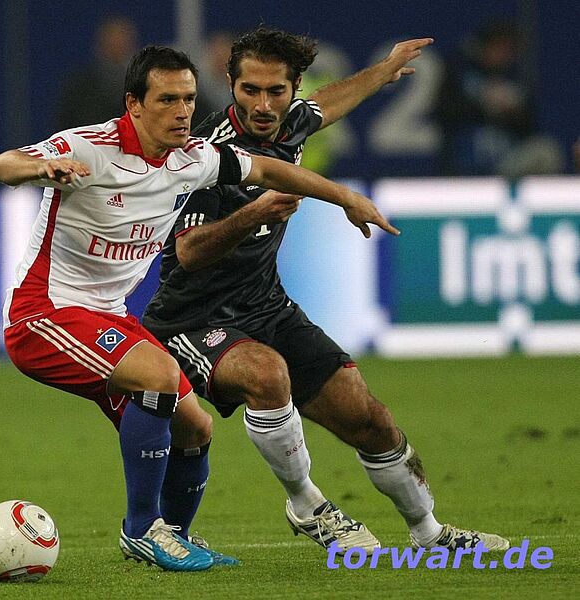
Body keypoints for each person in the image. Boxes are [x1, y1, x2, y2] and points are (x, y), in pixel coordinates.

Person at [0, 44, 399, 570]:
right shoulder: (89, 147)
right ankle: (143, 529)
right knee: (160, 376)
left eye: (187, 98)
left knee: (195, 427)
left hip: (108, 316)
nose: (182, 111)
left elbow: (271, 171)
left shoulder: (194, 160)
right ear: (134, 104)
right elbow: (2, 165)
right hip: (45, 315)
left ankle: (175, 536)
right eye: (167, 100)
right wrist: (43, 166)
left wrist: (345, 197)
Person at [143, 28, 510, 554]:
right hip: (192, 318)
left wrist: (383, 71)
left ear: (295, 86)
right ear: (230, 83)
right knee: (268, 376)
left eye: (276, 91)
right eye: (249, 90)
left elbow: (326, 105)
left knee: (369, 418)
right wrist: (252, 214)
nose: (263, 105)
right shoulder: (204, 154)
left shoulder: (289, 120)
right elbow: (187, 252)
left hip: (266, 306)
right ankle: (307, 504)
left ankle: (430, 533)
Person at [435, 20, 563, 177]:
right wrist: (484, 104)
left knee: (546, 151)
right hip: (466, 160)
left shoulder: (513, 78)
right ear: (484, 46)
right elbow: (445, 114)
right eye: (499, 47)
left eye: (509, 50)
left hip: (504, 165)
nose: (503, 55)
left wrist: (511, 113)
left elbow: (530, 127)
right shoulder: (459, 71)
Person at [53, 16, 139, 131]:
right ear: (100, 44)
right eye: (111, 41)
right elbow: (65, 126)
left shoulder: (142, 84)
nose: (116, 46)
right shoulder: (80, 85)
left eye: (121, 40)